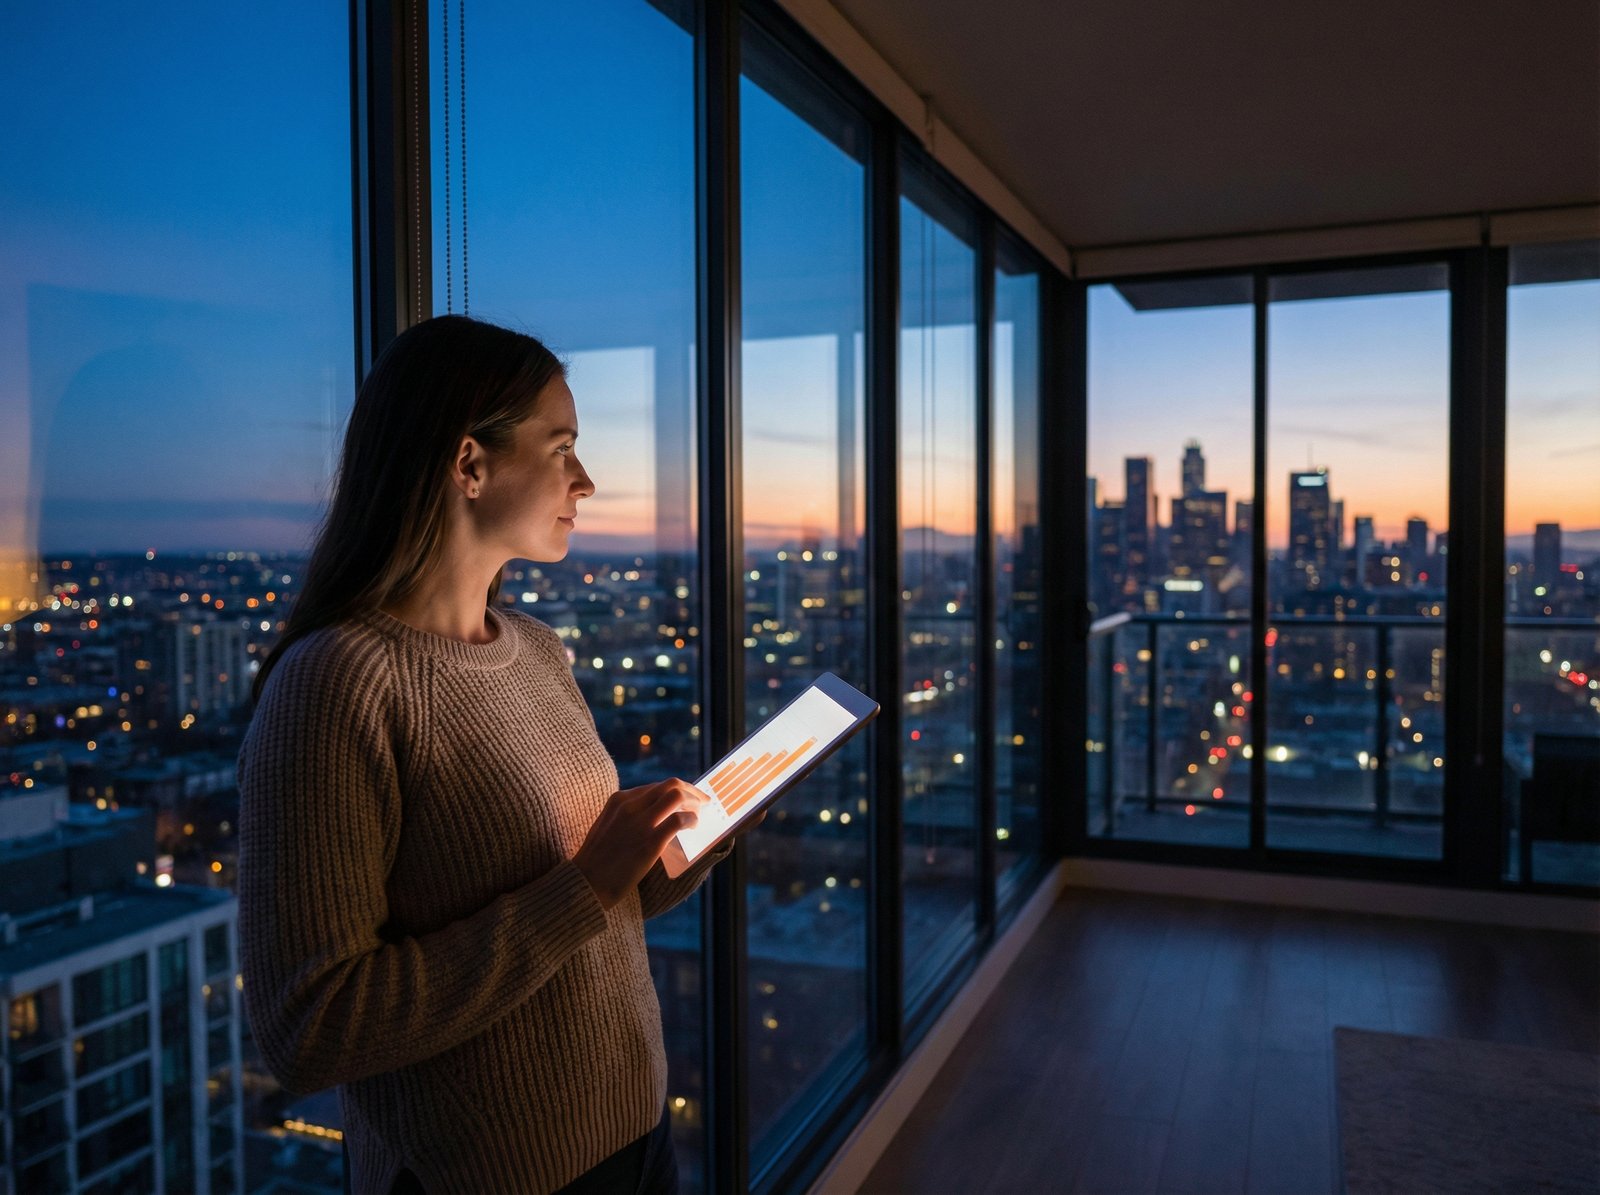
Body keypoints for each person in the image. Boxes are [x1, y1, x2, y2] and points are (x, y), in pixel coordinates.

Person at [238, 315, 744, 1194]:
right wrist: (584, 886)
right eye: (561, 449)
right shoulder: (335, 686)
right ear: (468, 464)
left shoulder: (536, 648)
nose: (585, 480)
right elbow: (310, 1026)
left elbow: (594, 902)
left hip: (634, 1134)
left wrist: (692, 833)